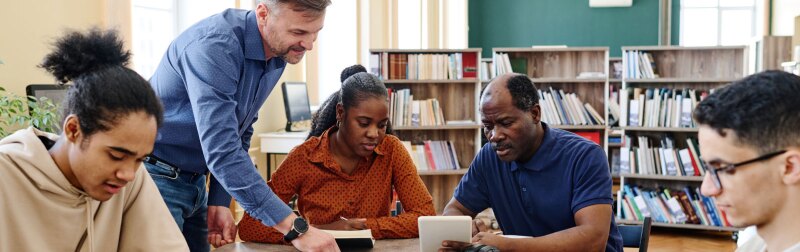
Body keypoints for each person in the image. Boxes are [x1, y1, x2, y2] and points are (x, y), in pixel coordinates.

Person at [146, 0, 338, 251]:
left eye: (316, 33)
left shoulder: (279, 52)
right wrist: (296, 229)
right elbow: (223, 151)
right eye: (299, 32)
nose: (309, 45)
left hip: (195, 181)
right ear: (263, 14)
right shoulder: (215, 47)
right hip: (156, 177)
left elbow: (241, 128)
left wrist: (219, 199)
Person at [0, 29, 188, 251]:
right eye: (116, 155)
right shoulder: (7, 175)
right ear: (73, 130)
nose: (128, 173)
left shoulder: (128, 179)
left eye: (140, 159)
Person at [237, 67, 436, 243]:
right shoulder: (304, 157)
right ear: (341, 113)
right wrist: (319, 232)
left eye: (382, 125)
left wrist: (365, 227)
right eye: (364, 123)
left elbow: (425, 216)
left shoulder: (391, 149)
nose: (374, 133)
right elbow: (250, 226)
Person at [440, 73, 622, 251]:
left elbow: (593, 241)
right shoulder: (489, 157)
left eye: (506, 123)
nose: (494, 136)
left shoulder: (585, 156)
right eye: (488, 126)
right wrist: (465, 227)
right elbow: (454, 210)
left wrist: (507, 246)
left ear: (535, 114)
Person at [693, 70, 800, 252]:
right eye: (708, 168)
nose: (707, 189)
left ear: (790, 167)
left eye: (723, 168)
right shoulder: (751, 247)